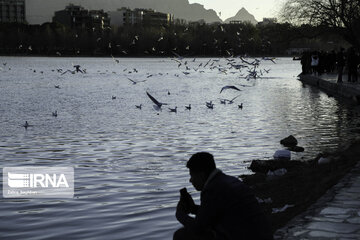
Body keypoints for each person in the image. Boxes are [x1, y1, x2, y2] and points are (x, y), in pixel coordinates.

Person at [174, 152, 273, 240]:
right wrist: (193, 208)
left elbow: (198, 228)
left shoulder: (212, 189)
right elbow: (214, 214)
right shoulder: (228, 181)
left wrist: (180, 214)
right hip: (262, 235)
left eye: (192, 175)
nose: (190, 180)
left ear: (201, 175)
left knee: (182, 235)